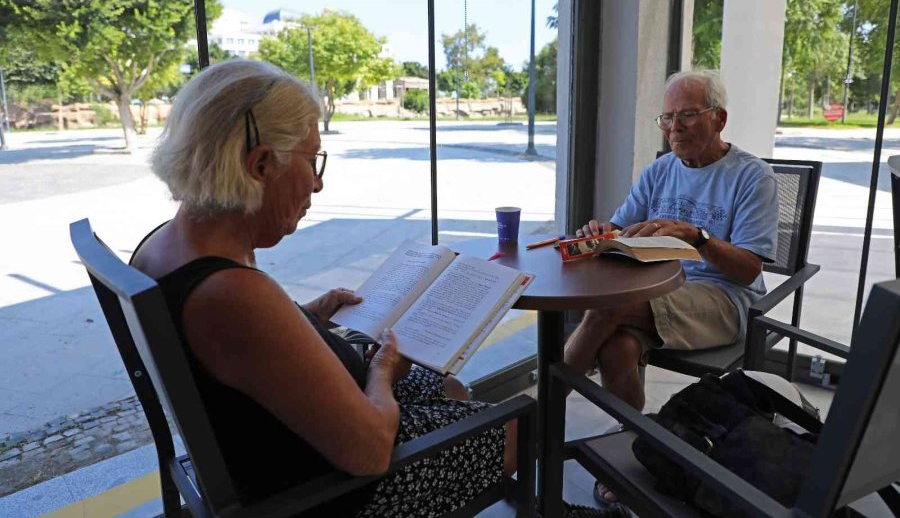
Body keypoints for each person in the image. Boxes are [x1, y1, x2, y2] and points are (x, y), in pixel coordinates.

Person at [134, 60, 611, 517]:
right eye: (312, 162)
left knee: (445, 385)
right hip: (327, 491)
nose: (317, 184)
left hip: (266, 449)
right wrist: (382, 369)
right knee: (519, 423)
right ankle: (544, 506)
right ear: (260, 165)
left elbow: (236, 349)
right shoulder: (231, 294)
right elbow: (370, 452)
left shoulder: (163, 248)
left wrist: (304, 317)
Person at [565, 69, 778, 411]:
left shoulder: (752, 177)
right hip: (659, 289)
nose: (674, 127)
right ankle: (636, 433)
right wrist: (599, 235)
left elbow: (748, 271)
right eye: (667, 117)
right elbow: (619, 229)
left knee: (606, 309)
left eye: (688, 115)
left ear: (719, 119)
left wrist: (697, 237)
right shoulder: (659, 171)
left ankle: (538, 415)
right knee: (616, 349)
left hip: (725, 298)